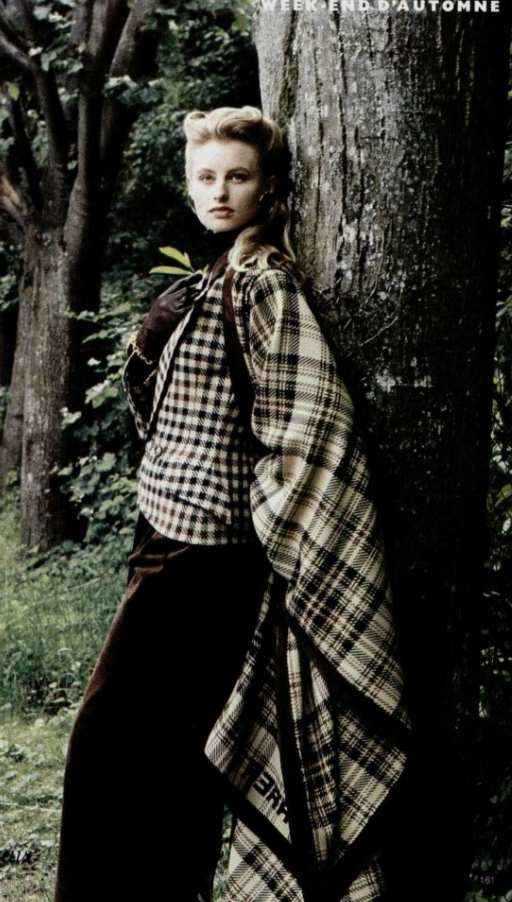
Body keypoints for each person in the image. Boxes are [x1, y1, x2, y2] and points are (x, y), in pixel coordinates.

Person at [54, 106, 410, 902]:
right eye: (206, 177)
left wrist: (270, 536)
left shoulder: (263, 283)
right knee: (179, 752)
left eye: (237, 177)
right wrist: (151, 345)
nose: (220, 191)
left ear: (267, 187)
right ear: (189, 188)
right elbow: (166, 420)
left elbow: (308, 425)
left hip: (204, 560)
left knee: (106, 741)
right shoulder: (209, 282)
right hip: (160, 539)